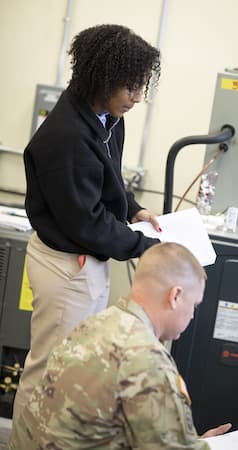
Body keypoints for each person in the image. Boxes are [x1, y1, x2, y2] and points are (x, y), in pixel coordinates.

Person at [13, 24, 162, 421]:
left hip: (85, 263)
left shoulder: (105, 118)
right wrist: (146, 246)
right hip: (66, 269)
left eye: (141, 86)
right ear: (103, 77)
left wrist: (133, 210)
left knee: (71, 372)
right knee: (49, 373)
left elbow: (105, 179)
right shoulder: (67, 137)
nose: (137, 98)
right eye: (130, 87)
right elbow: (89, 223)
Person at [8, 242, 231, 449]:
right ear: (175, 296)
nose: (192, 315)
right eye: (194, 305)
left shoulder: (93, 324)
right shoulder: (148, 360)